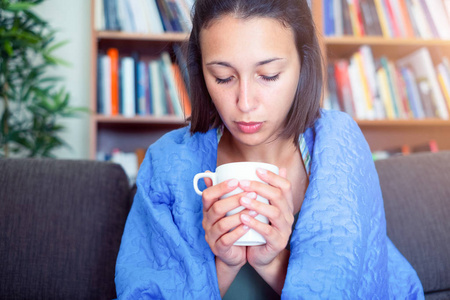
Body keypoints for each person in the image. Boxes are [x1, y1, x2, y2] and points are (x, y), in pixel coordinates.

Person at [115, 0, 424, 299]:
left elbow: (360, 289)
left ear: (304, 63)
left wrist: (272, 262)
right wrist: (225, 263)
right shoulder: (168, 161)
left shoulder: (337, 146)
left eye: (269, 75)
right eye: (223, 77)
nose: (245, 103)